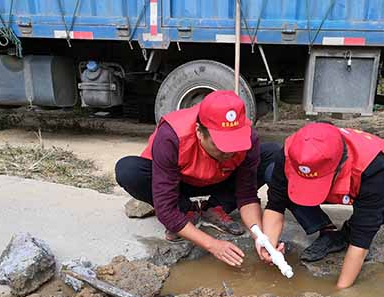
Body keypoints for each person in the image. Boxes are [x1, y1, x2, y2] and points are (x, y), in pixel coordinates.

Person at [115, 90, 277, 268]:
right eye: (220, 145)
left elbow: (247, 195)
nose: (229, 152)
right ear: (199, 132)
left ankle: (216, 207)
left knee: (273, 153)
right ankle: (186, 210)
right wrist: (212, 245)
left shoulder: (248, 137)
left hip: (219, 184)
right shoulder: (171, 136)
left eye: (234, 144)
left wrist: (261, 238)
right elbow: (166, 209)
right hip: (180, 186)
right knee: (128, 170)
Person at [259, 122, 384, 288]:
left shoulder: (371, 166)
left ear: (341, 165)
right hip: (328, 186)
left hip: (362, 185)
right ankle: (328, 231)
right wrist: (269, 247)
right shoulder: (291, 153)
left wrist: (340, 290)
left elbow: (361, 241)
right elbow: (275, 206)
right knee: (272, 173)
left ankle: (347, 232)